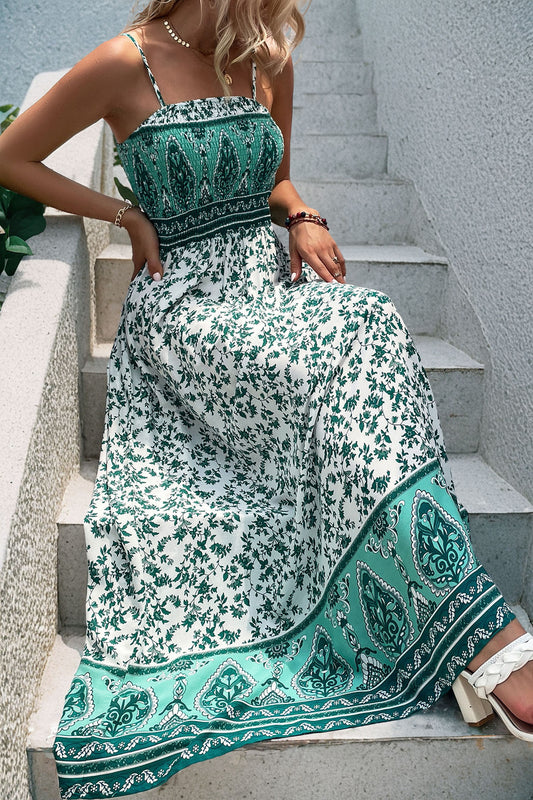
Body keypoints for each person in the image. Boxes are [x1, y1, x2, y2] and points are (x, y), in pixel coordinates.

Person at [1, 0, 532, 796]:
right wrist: (123, 213)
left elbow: (278, 178)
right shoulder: (123, 61)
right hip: (186, 315)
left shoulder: (266, 58)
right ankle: (487, 640)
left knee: (367, 316)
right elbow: (11, 156)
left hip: (264, 287)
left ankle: (461, 621)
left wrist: (303, 216)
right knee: (346, 347)